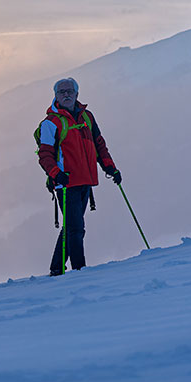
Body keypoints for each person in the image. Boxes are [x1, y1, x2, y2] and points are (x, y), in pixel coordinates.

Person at [36, 77, 122, 275]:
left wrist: (111, 168)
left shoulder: (87, 117)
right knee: (76, 229)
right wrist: (56, 175)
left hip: (85, 180)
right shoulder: (50, 123)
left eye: (69, 91)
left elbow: (99, 144)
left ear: (77, 94)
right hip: (65, 183)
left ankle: (57, 268)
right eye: (62, 92)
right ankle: (79, 271)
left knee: (72, 227)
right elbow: (45, 154)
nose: (66, 95)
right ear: (55, 96)